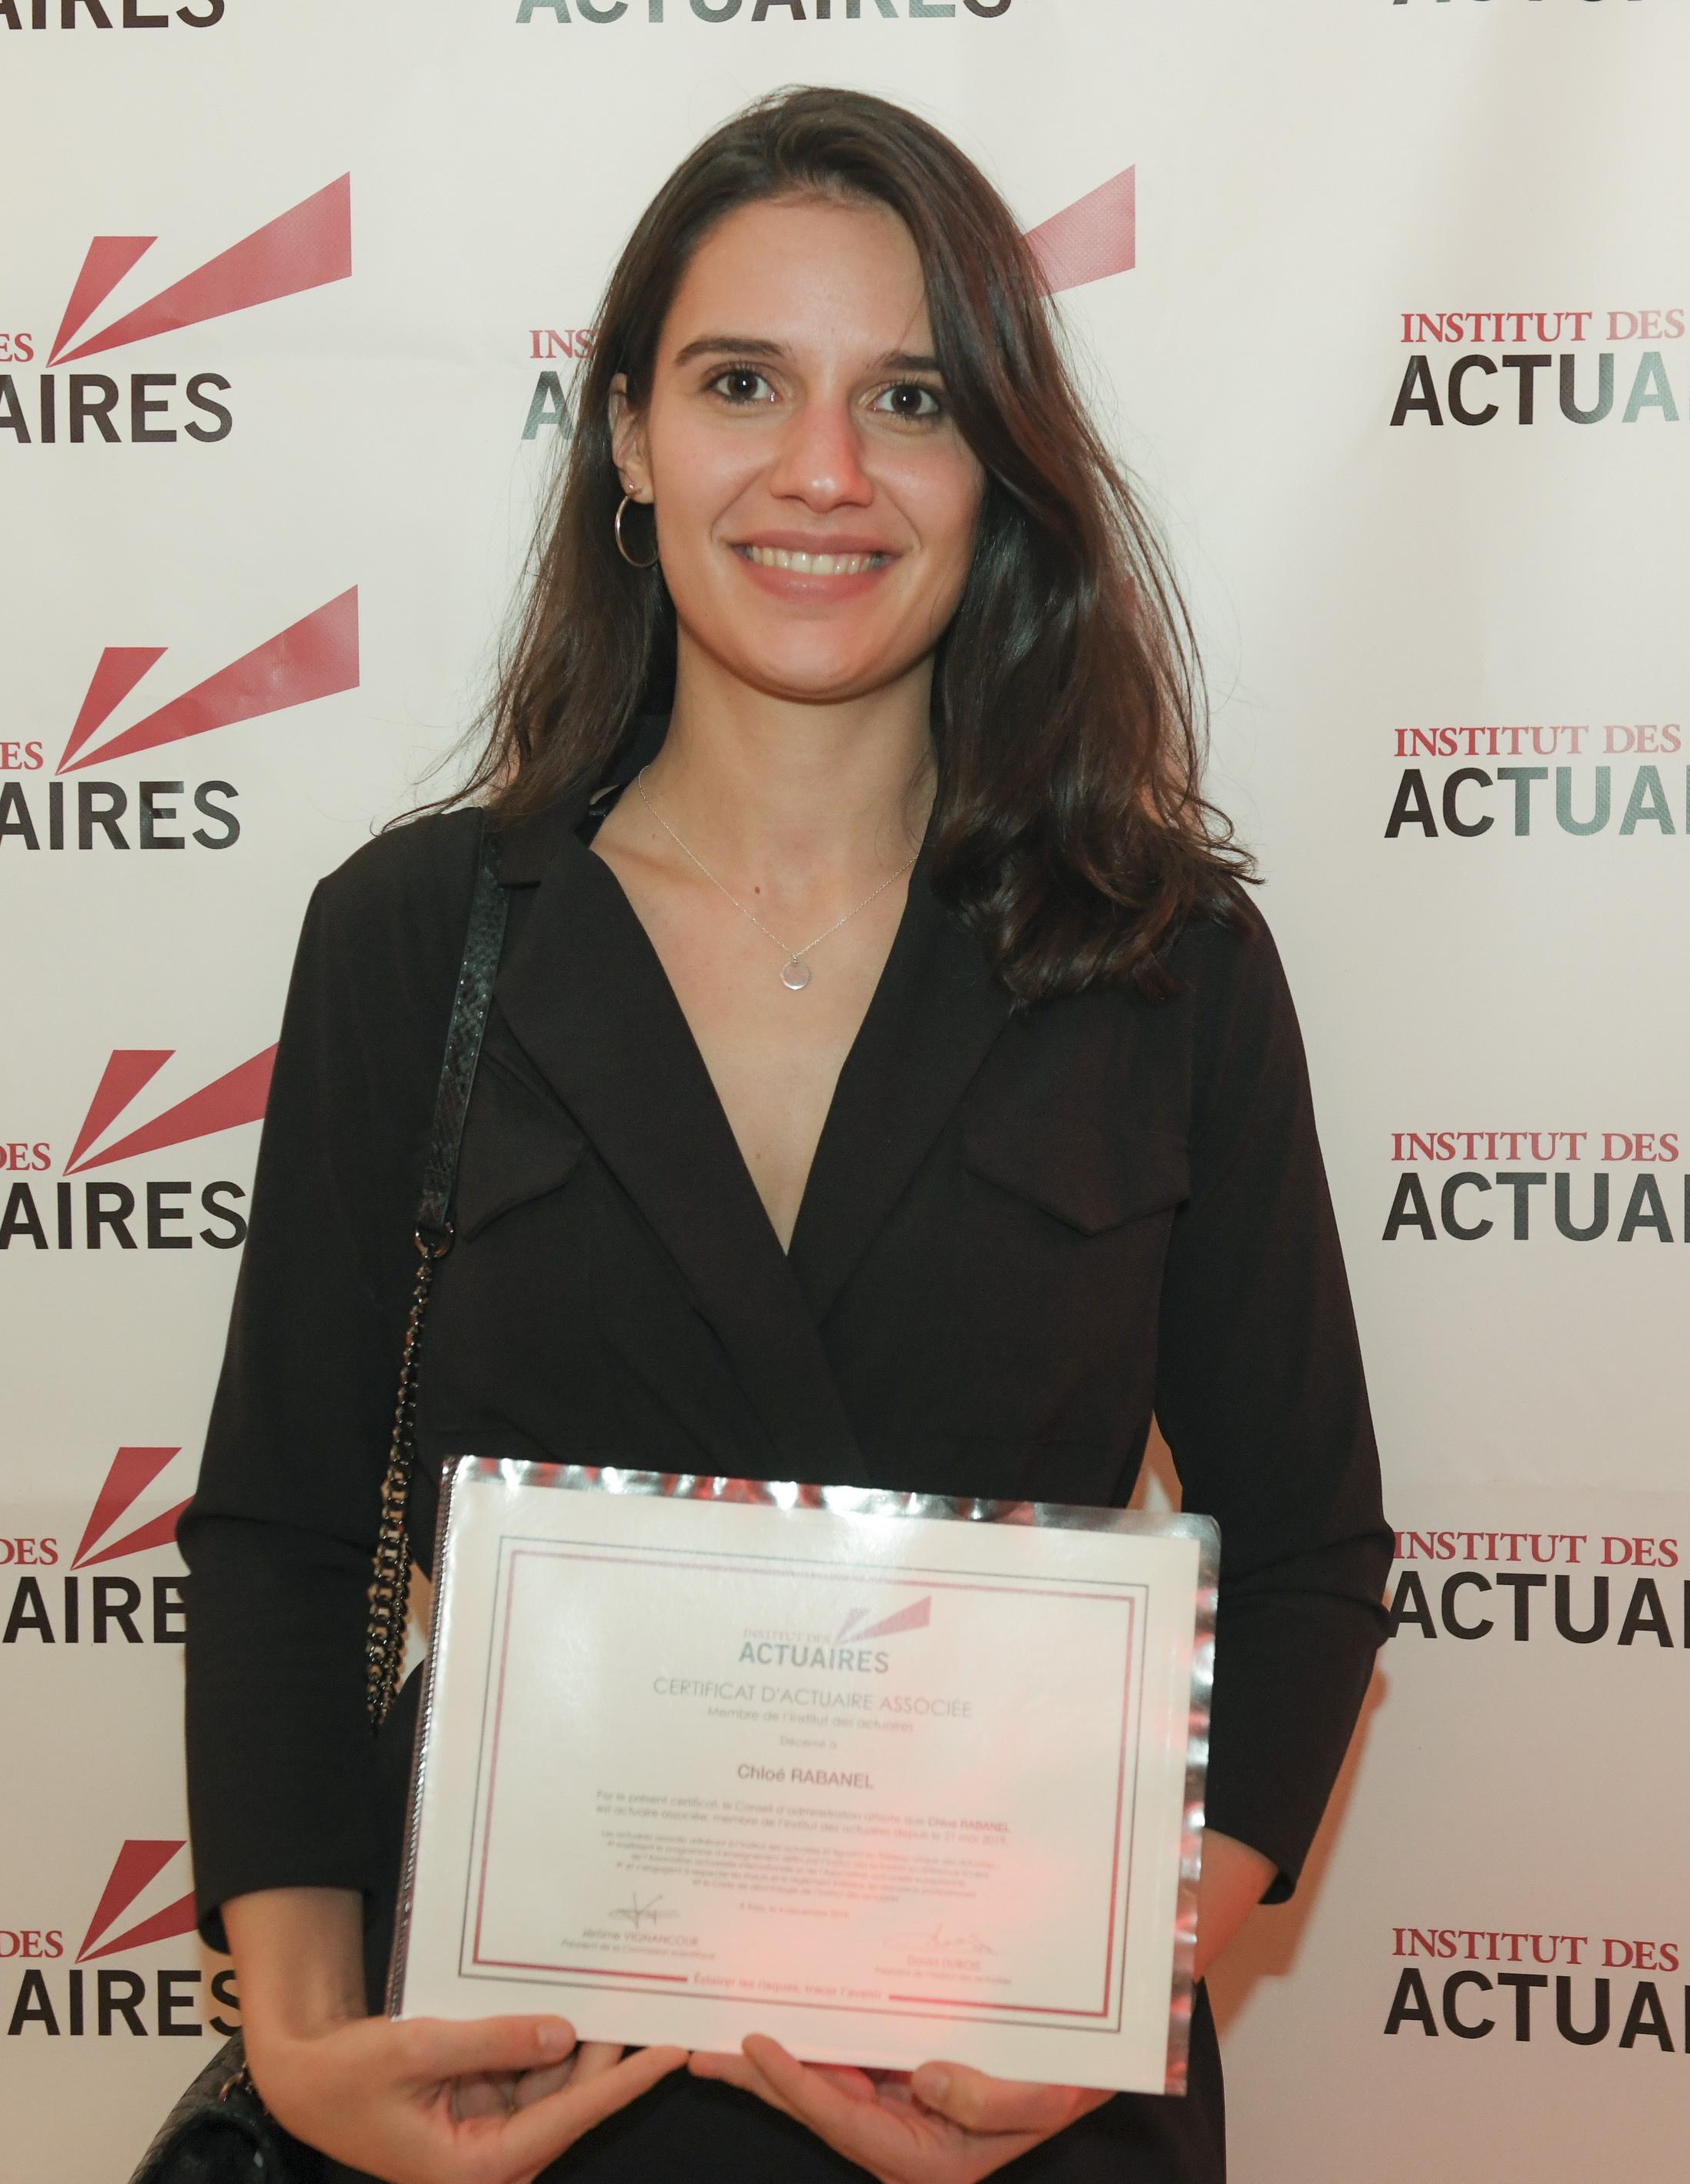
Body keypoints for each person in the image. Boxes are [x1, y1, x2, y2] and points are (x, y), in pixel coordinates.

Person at [178, 84, 1391, 2184]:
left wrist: (1111, 2000)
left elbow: (1304, 1560)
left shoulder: (1166, 964)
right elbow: (286, 1535)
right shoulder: (416, 940)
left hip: (1017, 2129)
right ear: (631, 439)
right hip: (517, 2121)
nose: (823, 470)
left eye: (909, 398)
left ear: (999, 465)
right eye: (742, 383)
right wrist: (300, 2043)